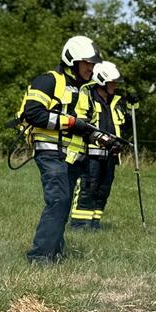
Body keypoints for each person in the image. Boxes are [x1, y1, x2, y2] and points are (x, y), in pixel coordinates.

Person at [17, 35, 108, 263]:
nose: (91, 67)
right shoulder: (48, 81)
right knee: (58, 200)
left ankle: (55, 251)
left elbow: (85, 126)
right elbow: (34, 113)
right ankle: (39, 256)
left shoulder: (86, 91)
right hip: (49, 152)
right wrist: (70, 122)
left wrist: (102, 138)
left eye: (93, 63)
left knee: (64, 202)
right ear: (72, 61)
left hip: (72, 156)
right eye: (87, 63)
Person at [69, 60, 126, 231]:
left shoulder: (115, 101)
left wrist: (132, 107)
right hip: (89, 154)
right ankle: (79, 225)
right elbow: (81, 124)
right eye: (112, 82)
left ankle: (94, 224)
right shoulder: (87, 96)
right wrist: (100, 138)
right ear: (101, 80)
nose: (115, 85)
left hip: (110, 155)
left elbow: (122, 124)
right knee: (88, 188)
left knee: (103, 190)